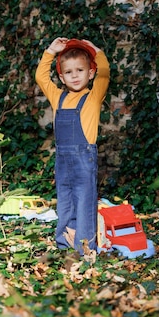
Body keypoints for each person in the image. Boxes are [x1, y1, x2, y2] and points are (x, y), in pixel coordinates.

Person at [35, 37, 110, 254]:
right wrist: (51, 51)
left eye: (80, 70)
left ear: (90, 73)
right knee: (65, 201)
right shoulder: (57, 96)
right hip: (63, 161)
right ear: (61, 76)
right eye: (69, 72)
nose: (75, 75)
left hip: (83, 159)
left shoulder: (93, 97)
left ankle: (85, 249)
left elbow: (105, 72)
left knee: (84, 202)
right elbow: (41, 77)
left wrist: (96, 50)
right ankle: (64, 245)